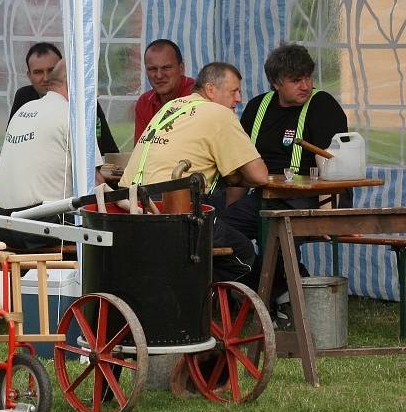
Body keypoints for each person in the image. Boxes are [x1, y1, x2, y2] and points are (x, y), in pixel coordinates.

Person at [119, 62, 268, 283]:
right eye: (234, 91)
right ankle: (200, 298)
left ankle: (193, 291)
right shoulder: (219, 113)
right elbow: (260, 176)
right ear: (210, 89)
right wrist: (235, 177)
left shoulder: (171, 107)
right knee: (244, 252)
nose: (238, 99)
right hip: (173, 211)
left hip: (128, 206)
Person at [220, 43, 350, 242]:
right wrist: (232, 208)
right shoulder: (257, 107)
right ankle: (256, 272)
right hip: (267, 197)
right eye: (296, 80)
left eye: (308, 77)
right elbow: (242, 162)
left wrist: (328, 215)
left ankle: (278, 273)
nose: (306, 86)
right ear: (276, 82)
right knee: (219, 232)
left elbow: (329, 162)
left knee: (277, 239)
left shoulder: (322, 105)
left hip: (312, 198)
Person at [0, 59, 104, 249]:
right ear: (75, 82)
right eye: (92, 85)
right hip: (39, 225)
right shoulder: (73, 116)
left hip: (2, 222)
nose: (97, 93)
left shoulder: (24, 109)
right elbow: (95, 184)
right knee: (116, 227)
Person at [9, 42, 119, 154]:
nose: (46, 78)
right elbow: (11, 145)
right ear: (29, 76)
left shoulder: (83, 100)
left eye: (52, 70)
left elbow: (108, 149)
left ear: (63, 71)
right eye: (38, 72)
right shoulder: (24, 96)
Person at [133, 39, 195, 144]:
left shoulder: (199, 96)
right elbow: (139, 151)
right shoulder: (144, 102)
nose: (159, 75)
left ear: (181, 68)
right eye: (152, 69)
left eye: (166, 68)